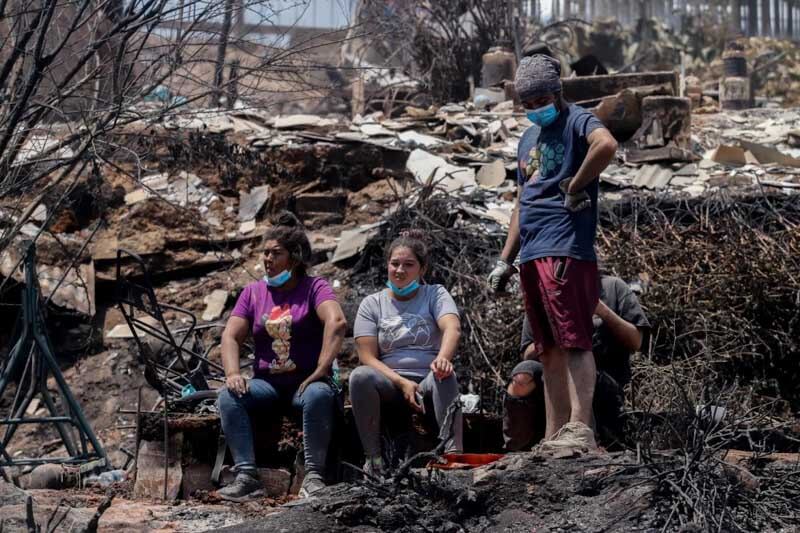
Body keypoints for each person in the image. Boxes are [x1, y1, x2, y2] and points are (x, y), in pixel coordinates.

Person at [487, 54, 619, 453]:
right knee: (548, 349)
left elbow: (607, 144)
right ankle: (554, 434)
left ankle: (580, 428)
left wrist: (577, 185)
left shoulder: (578, 120)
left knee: (575, 339)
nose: (533, 109)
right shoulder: (527, 139)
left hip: (565, 246)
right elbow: (520, 202)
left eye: (539, 100)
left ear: (557, 93)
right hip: (531, 252)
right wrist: (504, 260)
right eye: (526, 104)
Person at [216, 213, 347, 501]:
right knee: (229, 396)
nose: (267, 259)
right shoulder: (253, 292)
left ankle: (314, 476)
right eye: (265, 252)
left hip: (305, 382)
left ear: (296, 257)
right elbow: (230, 336)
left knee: (318, 395)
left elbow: (336, 322)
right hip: (268, 386)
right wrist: (233, 373)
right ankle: (247, 477)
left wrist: (322, 368)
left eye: (276, 253)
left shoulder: (315, 288)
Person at [349, 230, 463, 476]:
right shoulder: (372, 303)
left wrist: (443, 358)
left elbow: (451, 327)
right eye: (395, 264)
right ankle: (375, 461)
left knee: (446, 373)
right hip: (390, 381)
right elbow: (366, 357)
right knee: (360, 376)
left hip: (428, 378)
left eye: (408, 265)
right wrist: (401, 382)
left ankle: (453, 455)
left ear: (422, 269)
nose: (400, 270)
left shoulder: (435, 294)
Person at [503, 274, 650, 452]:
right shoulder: (542, 295)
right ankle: (517, 447)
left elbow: (636, 341)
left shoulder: (613, 287)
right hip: (552, 376)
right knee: (523, 373)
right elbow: (527, 353)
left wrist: (603, 311)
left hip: (605, 381)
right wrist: (554, 334)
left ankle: (587, 441)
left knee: (577, 372)